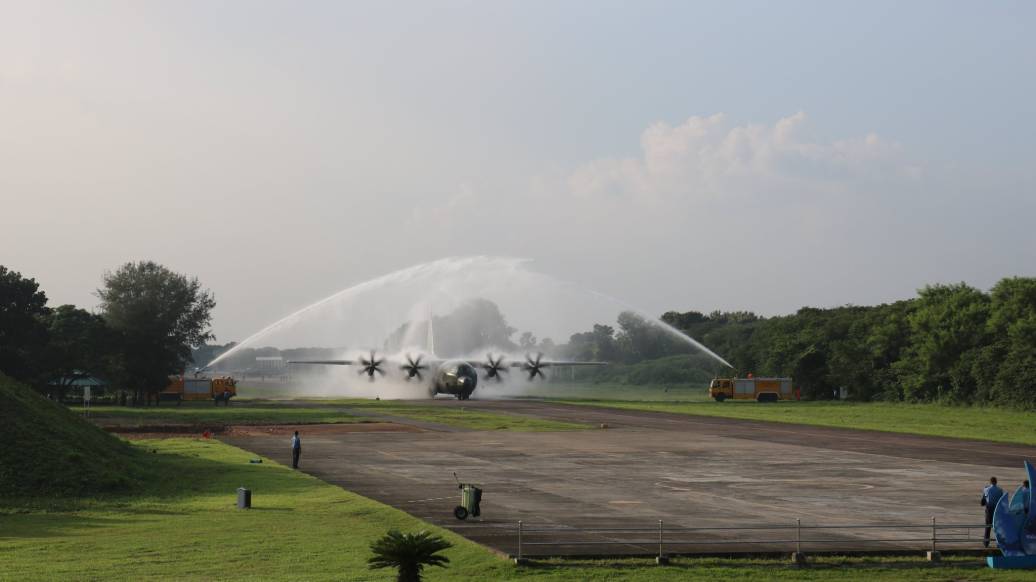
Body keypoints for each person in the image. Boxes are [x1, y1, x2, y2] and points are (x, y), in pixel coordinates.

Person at [982, 476, 1004, 547]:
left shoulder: (986, 489)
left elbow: (983, 500)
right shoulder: (1000, 490)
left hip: (989, 510)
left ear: (990, 482)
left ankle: (986, 543)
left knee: (988, 527)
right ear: (996, 482)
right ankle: (998, 543)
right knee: (998, 527)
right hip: (997, 510)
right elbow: (1001, 500)